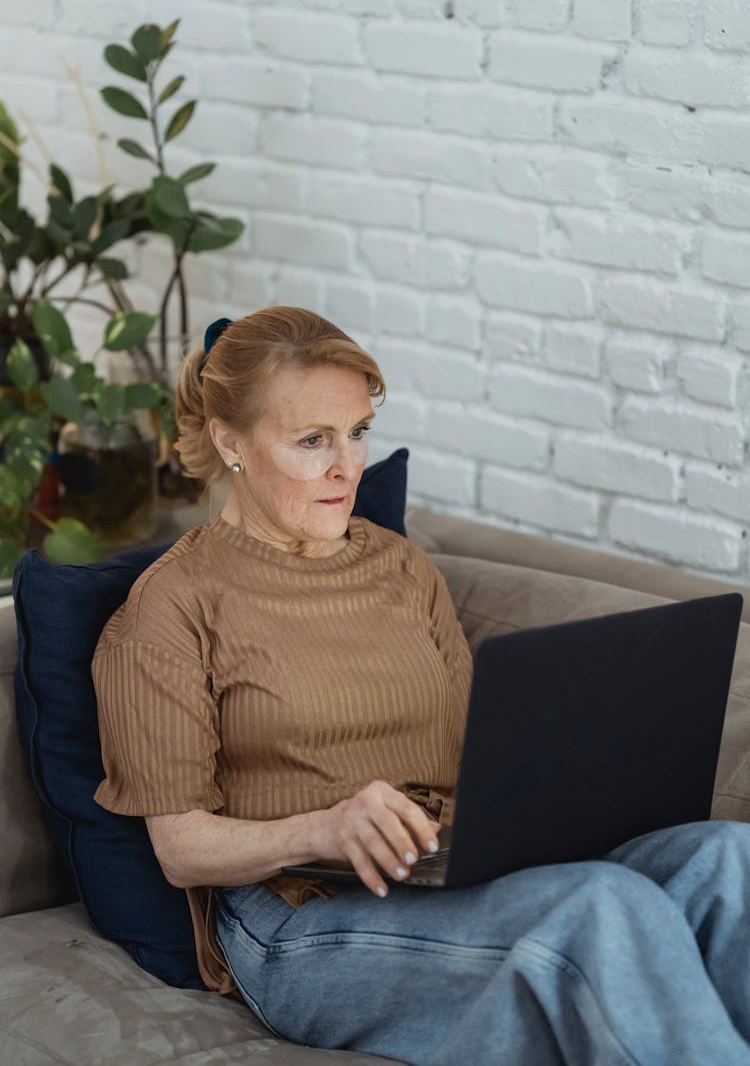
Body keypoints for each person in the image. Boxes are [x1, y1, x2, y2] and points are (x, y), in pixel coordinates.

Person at [92, 305, 750, 1066]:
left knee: (728, 860)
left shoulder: (402, 567)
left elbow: (486, 747)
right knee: (603, 908)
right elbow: (180, 849)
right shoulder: (171, 604)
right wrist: (324, 827)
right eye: (313, 441)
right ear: (229, 441)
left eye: (358, 431)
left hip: (449, 866)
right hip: (297, 920)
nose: (349, 466)